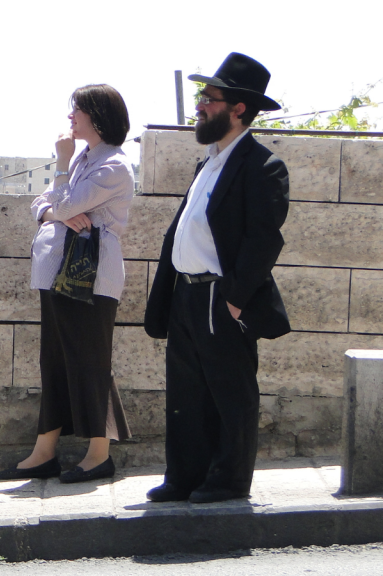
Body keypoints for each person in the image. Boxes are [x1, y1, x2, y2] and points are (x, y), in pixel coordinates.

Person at [144, 53, 290, 504]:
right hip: (187, 295)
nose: (201, 106)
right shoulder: (207, 163)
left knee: (230, 393)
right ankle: (184, 477)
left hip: (222, 296)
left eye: (210, 99)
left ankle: (228, 480)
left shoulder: (262, 165)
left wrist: (235, 297)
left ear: (239, 108)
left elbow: (264, 239)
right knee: (186, 392)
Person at [0, 84, 133, 484]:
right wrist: (52, 214)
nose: (70, 117)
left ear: (98, 116)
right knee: (54, 361)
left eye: (77, 110)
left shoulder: (113, 166)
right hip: (57, 272)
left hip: (90, 278)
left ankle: (99, 453)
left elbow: (65, 204)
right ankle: (45, 452)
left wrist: (60, 170)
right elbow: (43, 203)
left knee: (90, 361)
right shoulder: (84, 161)